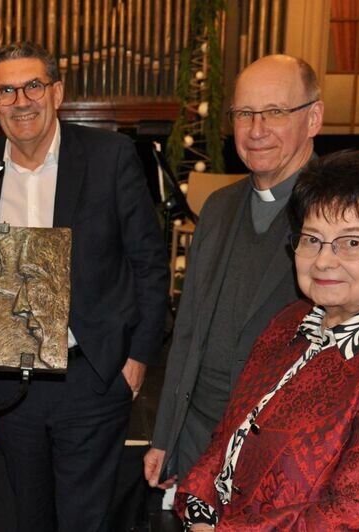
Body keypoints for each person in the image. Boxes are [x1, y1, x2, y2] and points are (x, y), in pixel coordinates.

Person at [0, 42, 168, 531]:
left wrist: (137, 358)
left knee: (84, 520)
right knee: (28, 516)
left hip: (92, 376)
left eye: (33, 85)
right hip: (9, 381)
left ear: (57, 91)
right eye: (6, 91)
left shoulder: (110, 156)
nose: (21, 101)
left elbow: (150, 262)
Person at [176, 149, 359, 530]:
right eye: (311, 239)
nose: (323, 261)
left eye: (351, 243)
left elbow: (358, 515)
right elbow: (229, 434)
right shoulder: (293, 319)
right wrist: (200, 513)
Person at [144, 54, 324, 489]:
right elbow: (188, 328)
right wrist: (166, 435)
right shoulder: (219, 208)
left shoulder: (340, 211)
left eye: (275, 112)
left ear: (313, 118)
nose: (256, 130)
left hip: (285, 454)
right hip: (198, 444)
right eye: (244, 113)